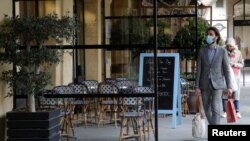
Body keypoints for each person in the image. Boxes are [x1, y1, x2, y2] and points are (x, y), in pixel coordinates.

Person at [195, 27, 232, 125]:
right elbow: (198, 69)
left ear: (216, 37)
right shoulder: (202, 51)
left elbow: (226, 70)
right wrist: (196, 86)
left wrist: (229, 86)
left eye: (211, 34)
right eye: (208, 34)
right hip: (204, 84)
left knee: (216, 108)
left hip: (217, 84)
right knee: (206, 110)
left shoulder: (222, 51)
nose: (208, 36)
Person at [221, 38, 244, 118]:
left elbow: (241, 64)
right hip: (225, 75)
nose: (229, 47)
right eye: (227, 46)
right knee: (224, 93)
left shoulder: (238, 53)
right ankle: (225, 111)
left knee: (236, 93)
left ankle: (237, 111)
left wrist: (234, 64)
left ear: (233, 45)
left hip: (235, 76)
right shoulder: (223, 51)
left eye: (230, 46)